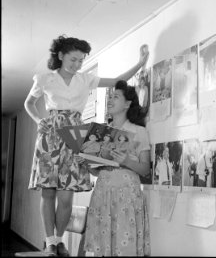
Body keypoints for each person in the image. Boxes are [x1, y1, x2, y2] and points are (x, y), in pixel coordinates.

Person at [24, 35, 149, 257]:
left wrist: (140, 63)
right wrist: (39, 121)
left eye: (81, 60)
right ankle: (50, 241)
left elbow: (117, 81)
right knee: (48, 192)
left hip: (74, 134)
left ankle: (59, 239)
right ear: (60, 56)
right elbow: (29, 103)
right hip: (50, 134)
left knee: (66, 196)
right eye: (73, 59)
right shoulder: (44, 79)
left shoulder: (85, 80)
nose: (77, 64)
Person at [78, 80, 151, 256]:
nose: (110, 99)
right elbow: (98, 171)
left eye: (116, 96)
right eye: (110, 96)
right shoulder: (100, 132)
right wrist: (87, 164)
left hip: (126, 195)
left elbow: (145, 169)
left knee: (124, 247)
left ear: (127, 104)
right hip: (103, 194)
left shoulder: (138, 131)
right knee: (103, 248)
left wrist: (126, 160)